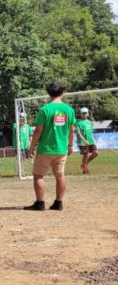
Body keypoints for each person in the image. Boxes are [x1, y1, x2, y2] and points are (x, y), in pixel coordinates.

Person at [24, 81, 76, 211]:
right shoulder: (69, 110)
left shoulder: (44, 110)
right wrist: (70, 145)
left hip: (45, 149)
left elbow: (38, 131)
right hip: (61, 149)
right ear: (62, 93)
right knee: (60, 175)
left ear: (49, 93)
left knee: (38, 175)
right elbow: (71, 130)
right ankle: (58, 203)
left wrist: (31, 148)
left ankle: (40, 203)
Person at [75, 107, 98, 174]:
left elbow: (91, 132)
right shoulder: (78, 122)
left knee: (96, 153)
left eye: (85, 113)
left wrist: (93, 139)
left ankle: (85, 164)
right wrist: (85, 141)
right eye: (83, 113)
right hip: (82, 142)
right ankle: (85, 170)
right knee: (85, 155)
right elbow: (78, 133)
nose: (84, 114)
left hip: (91, 141)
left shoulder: (89, 122)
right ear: (81, 114)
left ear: (88, 114)